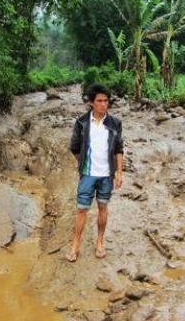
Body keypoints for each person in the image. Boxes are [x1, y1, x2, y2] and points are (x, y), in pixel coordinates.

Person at [65, 84, 123, 262]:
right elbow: (74, 147)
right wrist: (83, 163)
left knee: (102, 207)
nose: (103, 104)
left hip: (107, 175)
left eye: (106, 101)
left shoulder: (115, 123)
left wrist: (119, 172)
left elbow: (118, 149)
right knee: (82, 209)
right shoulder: (82, 123)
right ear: (91, 103)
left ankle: (99, 242)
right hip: (88, 174)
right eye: (99, 101)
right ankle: (75, 245)